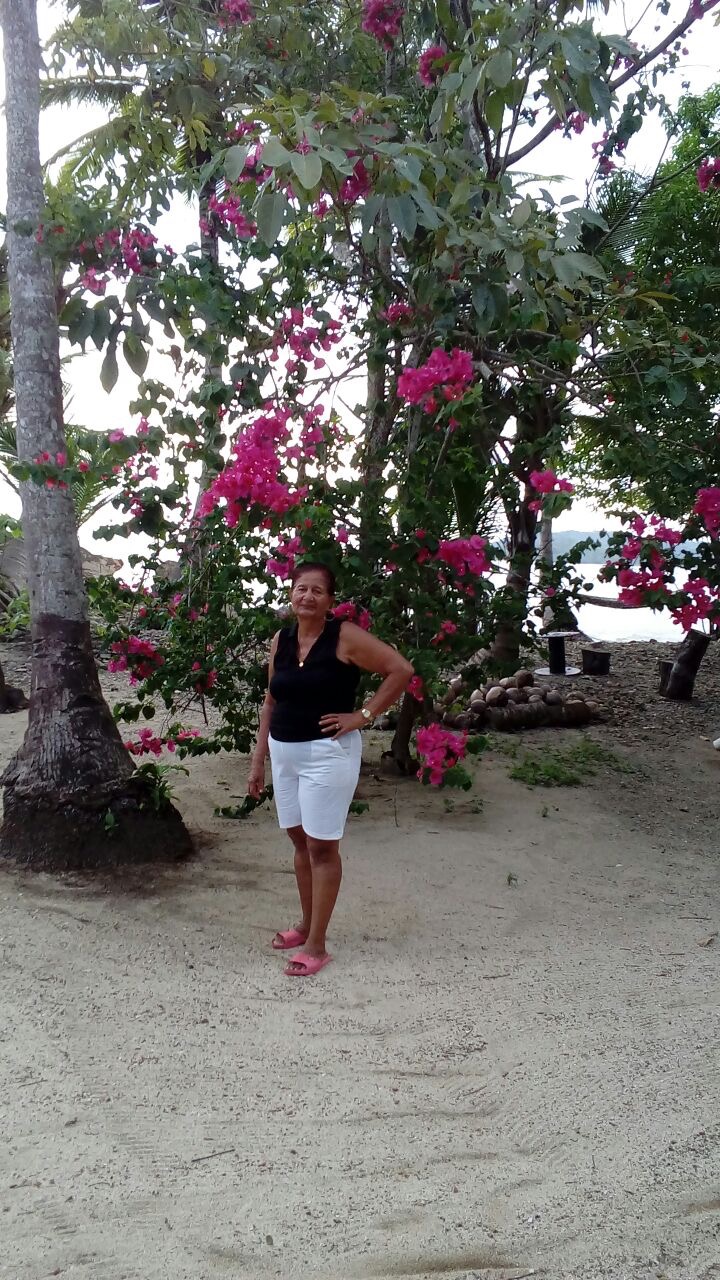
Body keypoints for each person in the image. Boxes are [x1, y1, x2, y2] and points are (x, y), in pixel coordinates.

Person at [248, 561, 413, 977]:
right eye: (300, 588)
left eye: (317, 591)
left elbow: (401, 670)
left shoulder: (345, 637)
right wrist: (258, 761)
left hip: (327, 754)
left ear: (330, 601)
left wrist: (363, 714)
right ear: (291, 594)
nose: (307, 596)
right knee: (299, 843)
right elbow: (271, 701)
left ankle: (318, 946)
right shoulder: (280, 641)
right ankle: (305, 926)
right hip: (285, 754)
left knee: (323, 848)